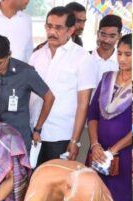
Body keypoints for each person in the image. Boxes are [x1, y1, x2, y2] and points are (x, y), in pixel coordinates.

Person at [85, 34, 132, 201]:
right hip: (98, 152)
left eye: (128, 54)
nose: (122, 59)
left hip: (123, 155)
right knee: (95, 195)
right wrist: (95, 145)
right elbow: (92, 113)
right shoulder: (106, 79)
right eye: (120, 53)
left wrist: (112, 150)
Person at [29, 6, 96, 164]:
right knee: (34, 184)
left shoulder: (82, 58)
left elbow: (83, 103)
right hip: (33, 133)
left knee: (56, 186)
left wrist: (75, 141)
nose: (52, 32)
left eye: (58, 27)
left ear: (71, 30)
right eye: (49, 26)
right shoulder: (36, 56)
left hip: (61, 136)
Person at [0, 35, 54, 150]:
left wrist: (38, 129)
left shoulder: (25, 72)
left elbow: (49, 97)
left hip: (17, 139)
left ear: (9, 55)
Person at [91, 14, 121, 84]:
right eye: (103, 35)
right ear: (98, 33)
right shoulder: (86, 58)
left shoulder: (122, 63)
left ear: (119, 36)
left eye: (112, 36)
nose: (106, 40)